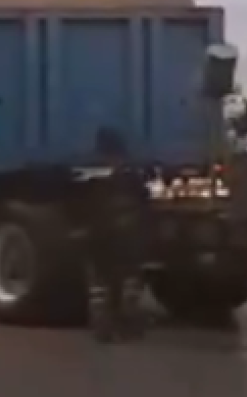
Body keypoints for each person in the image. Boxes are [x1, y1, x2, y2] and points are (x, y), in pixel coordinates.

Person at [78, 127, 150, 342]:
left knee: (101, 286)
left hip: (100, 237)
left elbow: (85, 208)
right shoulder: (130, 177)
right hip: (125, 238)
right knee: (127, 283)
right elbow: (144, 203)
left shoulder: (90, 176)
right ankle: (127, 326)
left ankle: (103, 328)